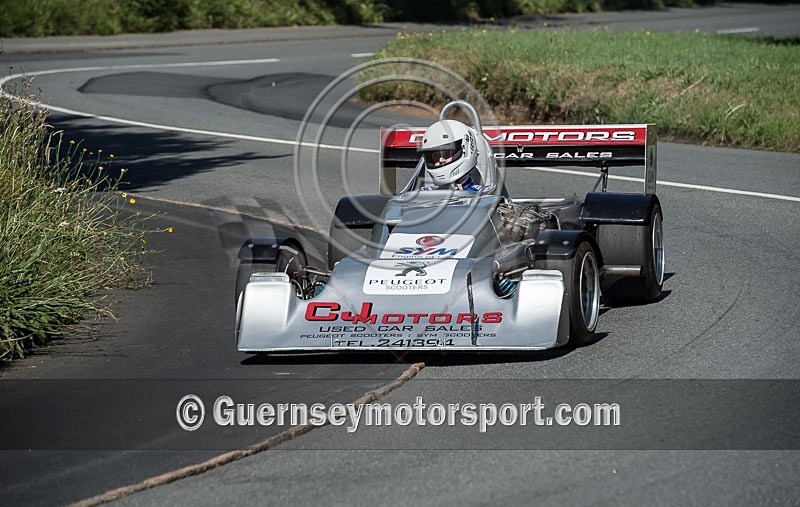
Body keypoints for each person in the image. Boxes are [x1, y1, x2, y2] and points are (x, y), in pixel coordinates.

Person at [419, 119, 484, 192]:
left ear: (465, 150)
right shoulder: (423, 194)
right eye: (436, 156)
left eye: (446, 154)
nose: (441, 160)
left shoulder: (482, 193)